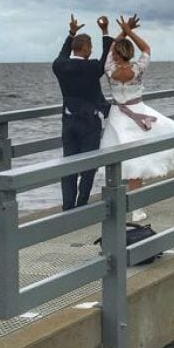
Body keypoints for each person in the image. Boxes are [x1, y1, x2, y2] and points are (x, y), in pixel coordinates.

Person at [101, 15, 174, 207]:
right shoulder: (138, 68)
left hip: (118, 116)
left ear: (117, 54)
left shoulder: (109, 68)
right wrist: (130, 31)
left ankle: (115, 204)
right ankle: (137, 206)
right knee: (137, 160)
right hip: (138, 110)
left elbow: (109, 48)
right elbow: (146, 49)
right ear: (129, 53)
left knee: (117, 159)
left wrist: (123, 31)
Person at [52, 14, 113, 210]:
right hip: (90, 123)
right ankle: (81, 204)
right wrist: (105, 31)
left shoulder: (59, 66)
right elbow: (107, 56)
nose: (92, 49)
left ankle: (68, 205)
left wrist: (71, 33)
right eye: (90, 46)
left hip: (69, 122)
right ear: (85, 48)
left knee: (68, 164)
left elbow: (62, 54)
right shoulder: (92, 67)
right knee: (88, 166)